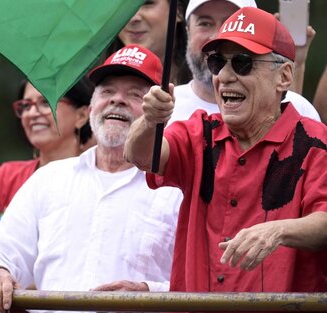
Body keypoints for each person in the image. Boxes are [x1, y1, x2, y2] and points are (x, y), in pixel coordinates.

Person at [125, 6, 327, 295]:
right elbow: (140, 156)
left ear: (283, 77)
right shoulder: (200, 132)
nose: (225, 76)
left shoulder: (315, 142)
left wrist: (278, 230)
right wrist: (149, 120)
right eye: (218, 62)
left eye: (243, 62)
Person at [0, 44, 183, 313]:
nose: (117, 100)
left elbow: (200, 281)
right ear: (91, 106)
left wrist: (149, 293)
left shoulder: (178, 188)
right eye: (107, 91)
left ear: (159, 111)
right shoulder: (48, 179)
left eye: (135, 94)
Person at [0, 77, 94, 287]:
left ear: (82, 115)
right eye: (26, 106)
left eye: (46, 102)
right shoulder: (7, 178)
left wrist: (19, 284)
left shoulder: (100, 181)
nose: (33, 113)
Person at [169, 0, 320, 124]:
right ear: (188, 31)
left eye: (231, 22)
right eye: (204, 23)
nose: (216, 36)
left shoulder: (301, 111)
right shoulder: (162, 110)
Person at [112, 0, 192, 85]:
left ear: (178, 11)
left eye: (147, 3)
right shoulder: (97, 85)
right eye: (122, 6)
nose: (133, 18)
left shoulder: (206, 84)